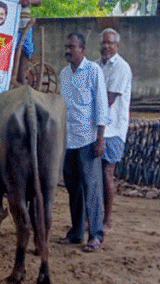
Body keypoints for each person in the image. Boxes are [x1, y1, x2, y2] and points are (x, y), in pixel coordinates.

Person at [57, 33, 109, 253]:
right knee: (73, 188)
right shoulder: (64, 74)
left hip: (88, 139)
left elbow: (101, 105)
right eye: (66, 46)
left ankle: (96, 235)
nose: (68, 50)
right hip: (68, 140)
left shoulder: (93, 71)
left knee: (92, 188)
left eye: (72, 46)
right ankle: (77, 232)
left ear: (82, 49)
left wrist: (100, 138)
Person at [97, 28, 132, 233]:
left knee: (106, 172)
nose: (106, 46)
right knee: (92, 174)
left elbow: (108, 100)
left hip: (113, 129)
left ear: (117, 46)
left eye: (110, 43)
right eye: (103, 43)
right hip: (94, 128)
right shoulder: (94, 65)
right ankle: (90, 217)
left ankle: (107, 219)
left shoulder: (121, 68)